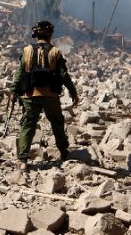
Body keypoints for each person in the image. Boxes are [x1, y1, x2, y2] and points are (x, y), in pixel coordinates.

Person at [10, 20, 79, 171]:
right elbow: (63, 75)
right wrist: (73, 92)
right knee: (57, 123)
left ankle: (23, 160)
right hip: (51, 96)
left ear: (36, 35)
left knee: (27, 126)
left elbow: (19, 74)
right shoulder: (55, 52)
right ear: (50, 34)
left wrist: (14, 91)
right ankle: (64, 152)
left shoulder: (27, 51)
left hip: (30, 95)